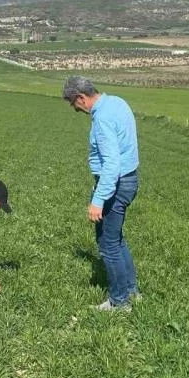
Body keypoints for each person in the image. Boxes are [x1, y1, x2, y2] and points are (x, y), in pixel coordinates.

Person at [62, 76, 140, 312]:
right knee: (116, 239)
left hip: (115, 184)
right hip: (129, 179)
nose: (75, 109)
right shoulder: (117, 102)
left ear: (80, 98)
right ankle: (131, 291)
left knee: (108, 245)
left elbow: (111, 164)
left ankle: (119, 302)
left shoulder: (103, 118)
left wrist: (98, 200)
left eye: (73, 103)